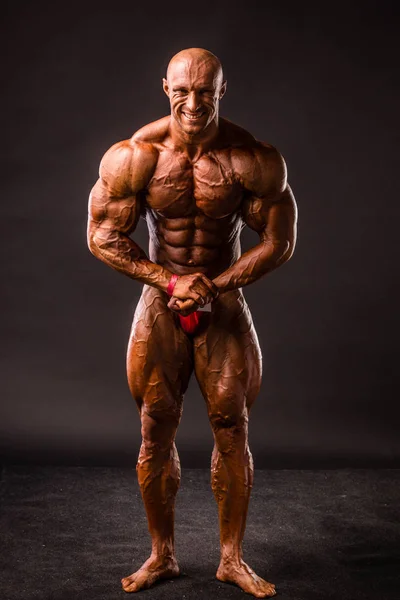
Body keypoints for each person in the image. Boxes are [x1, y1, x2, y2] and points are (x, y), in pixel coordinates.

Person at [87, 47, 297, 598]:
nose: (193, 102)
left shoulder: (252, 158)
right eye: (182, 90)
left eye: (205, 91)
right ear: (165, 88)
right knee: (155, 428)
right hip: (161, 302)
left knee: (232, 426)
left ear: (222, 90)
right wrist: (168, 280)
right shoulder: (136, 155)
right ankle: (162, 556)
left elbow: (280, 240)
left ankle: (232, 559)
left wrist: (216, 284)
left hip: (222, 304)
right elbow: (101, 236)